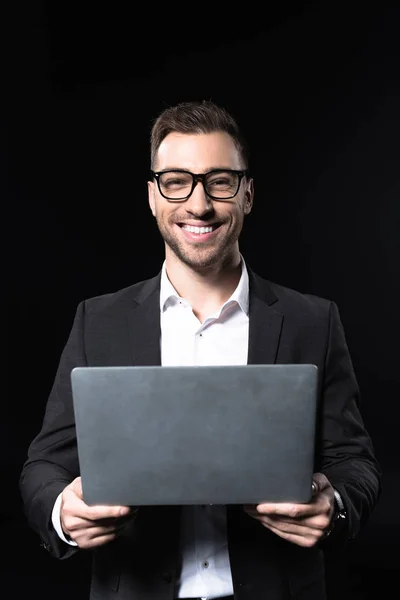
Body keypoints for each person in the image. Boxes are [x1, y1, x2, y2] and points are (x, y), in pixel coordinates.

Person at [19, 99, 381, 600]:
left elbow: (354, 460)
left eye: (220, 181)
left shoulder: (312, 321)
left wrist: (336, 506)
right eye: (176, 181)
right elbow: (43, 466)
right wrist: (62, 511)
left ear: (248, 193)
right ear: (152, 196)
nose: (198, 204)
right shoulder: (97, 321)